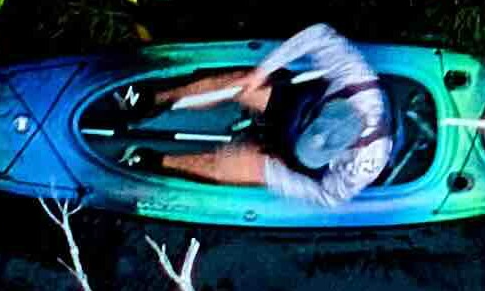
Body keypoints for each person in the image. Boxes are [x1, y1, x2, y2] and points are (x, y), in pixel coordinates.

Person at [118, 24, 422, 200]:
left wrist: (273, 172)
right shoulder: (355, 79)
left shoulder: (362, 168)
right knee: (240, 83)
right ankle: (155, 99)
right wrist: (262, 72)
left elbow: (329, 195)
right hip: (299, 104)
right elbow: (319, 35)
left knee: (232, 166)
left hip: (300, 161)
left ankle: (156, 161)